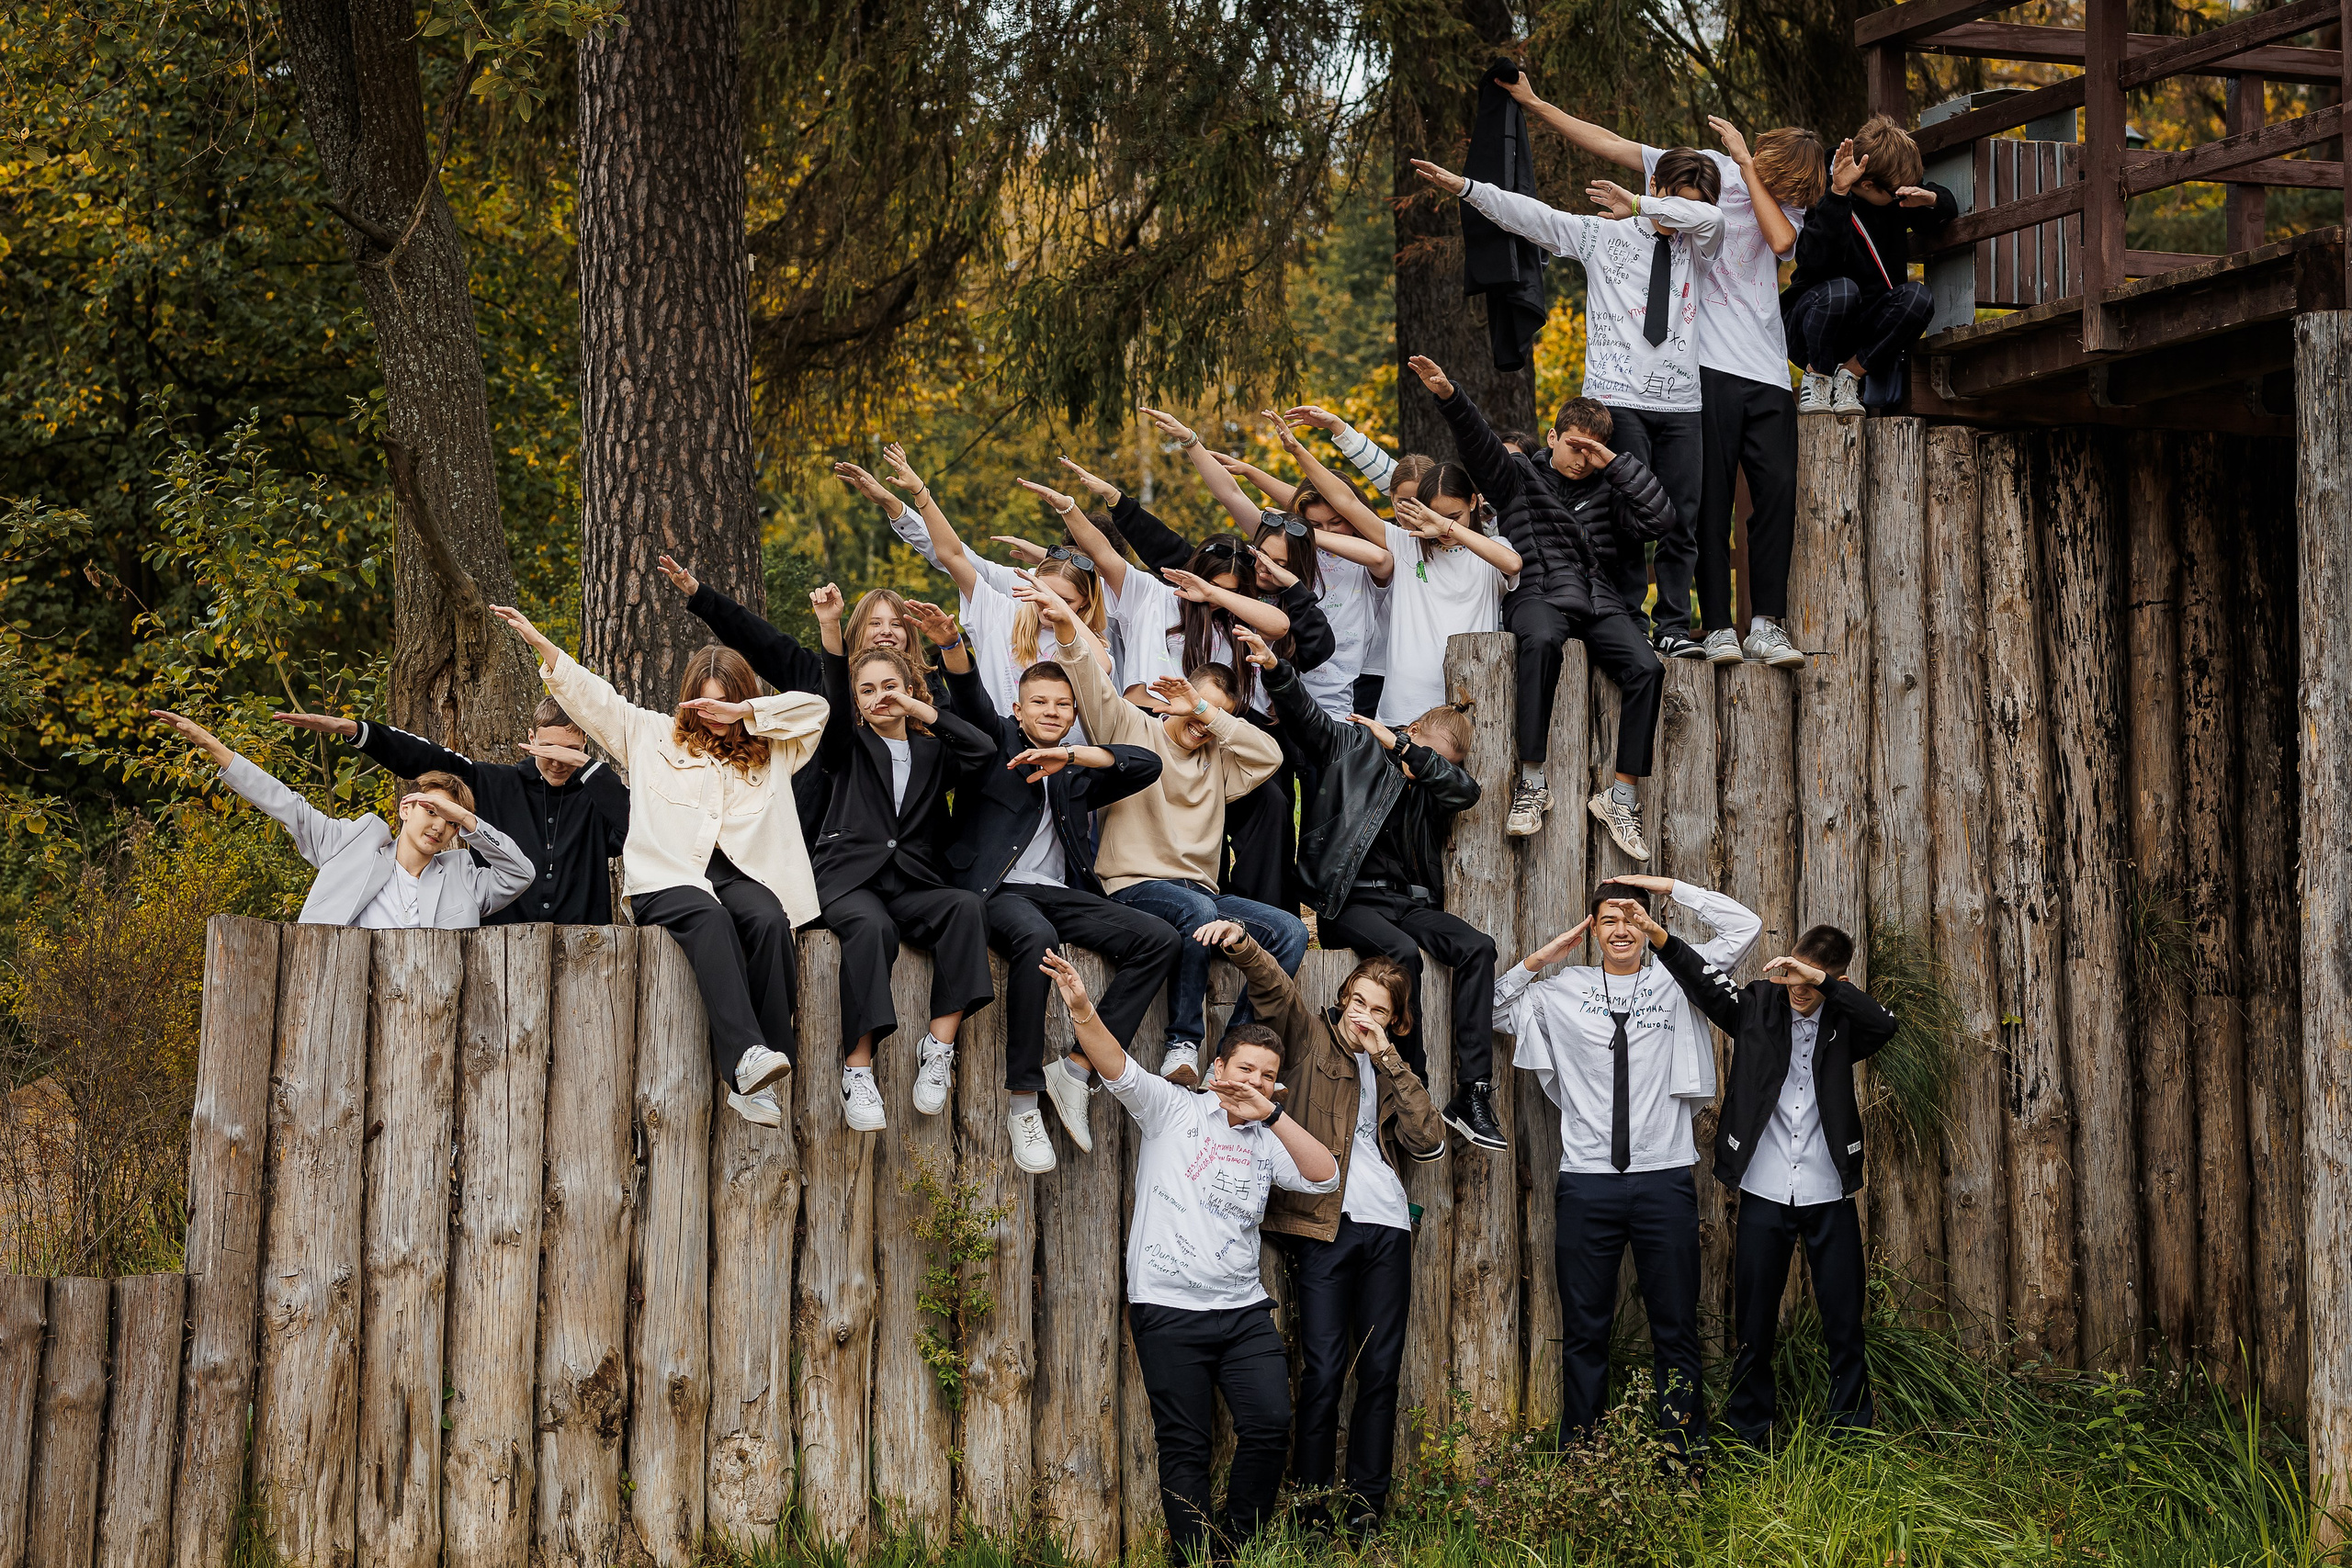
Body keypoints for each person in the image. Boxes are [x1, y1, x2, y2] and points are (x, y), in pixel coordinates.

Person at [1502, 73, 1826, 670]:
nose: (1789, 196)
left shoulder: (1778, 200)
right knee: (1707, 504)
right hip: (1707, 365)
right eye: (1782, 183)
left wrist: (1753, 171)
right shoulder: (1708, 171)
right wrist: (1535, 102)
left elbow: (1783, 243)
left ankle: (1766, 624)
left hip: (1768, 368)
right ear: (1769, 159)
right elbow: (1614, 145)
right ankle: (1717, 624)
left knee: (1777, 492)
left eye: (1795, 193)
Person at [1042, 937, 1339, 1563]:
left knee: (1268, 1424)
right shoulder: (1173, 1110)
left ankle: (1238, 1544)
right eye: (1245, 1069)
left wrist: (1273, 1115)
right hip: (1168, 1309)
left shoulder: (1269, 1137)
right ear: (1218, 1068)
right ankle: (1197, 1557)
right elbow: (1117, 1067)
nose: (1254, 1081)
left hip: (1242, 1312)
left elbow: (1324, 1176)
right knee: (1185, 1445)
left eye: (1267, 1075)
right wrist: (1083, 1009)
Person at [489, 605, 829, 1129]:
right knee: (710, 917)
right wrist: (541, 644)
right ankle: (745, 1058)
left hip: (741, 876)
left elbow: (817, 709)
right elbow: (593, 697)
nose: (713, 716)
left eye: (723, 705)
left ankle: (760, 1072)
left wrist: (746, 714)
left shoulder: (773, 751)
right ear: (687, 700)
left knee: (768, 919)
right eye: (704, 704)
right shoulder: (652, 733)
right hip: (669, 877)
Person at [1410, 149, 1724, 660]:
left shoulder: (1700, 241)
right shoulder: (1603, 235)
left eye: (1693, 205)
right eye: (1676, 201)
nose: (1681, 215)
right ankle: (1631, 619)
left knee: (1681, 517)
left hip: (1682, 403)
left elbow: (1712, 219)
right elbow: (1533, 217)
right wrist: (1467, 188)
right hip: (1618, 398)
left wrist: (1642, 205)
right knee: (1624, 517)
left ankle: (1674, 625)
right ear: (1657, 186)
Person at [1498, 874, 1760, 1453]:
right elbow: (1493, 1006)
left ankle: (1681, 1459)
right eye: (1610, 919)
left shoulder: (1677, 978)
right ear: (1593, 928)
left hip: (1664, 1180)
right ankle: (1582, 1460)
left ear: (1647, 926)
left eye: (1633, 918)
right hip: (1586, 1183)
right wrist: (1545, 956)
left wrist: (1665, 888)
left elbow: (1745, 928)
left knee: (1676, 1328)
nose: (1623, 929)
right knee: (1584, 1330)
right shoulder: (1563, 990)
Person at [1025, 576, 1300, 1088]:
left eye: (1213, 714)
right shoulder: (1135, 728)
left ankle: (1233, 1054)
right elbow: (1090, 683)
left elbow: (1271, 755)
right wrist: (1066, 626)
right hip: (1134, 887)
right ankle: (1183, 1042)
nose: (1200, 721)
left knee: (1290, 931)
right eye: (1195, 704)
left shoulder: (1221, 761)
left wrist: (1205, 711)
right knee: (1195, 910)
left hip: (1201, 896)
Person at [1241, 626, 1503, 1150]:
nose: (1429, 768)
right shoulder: (1354, 746)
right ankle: (1414, 1080)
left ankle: (1473, 1091)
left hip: (1408, 903)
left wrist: (1414, 754)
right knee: (1402, 953)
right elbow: (1307, 716)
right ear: (1410, 729)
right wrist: (1275, 668)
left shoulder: (1434, 779)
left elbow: (1466, 792)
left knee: (1479, 947)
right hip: (1348, 900)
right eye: (1427, 753)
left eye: (1440, 763)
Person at [1408, 354, 1672, 858]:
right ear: (1552, 437)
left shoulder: (1611, 487)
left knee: (1647, 668)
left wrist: (1614, 465)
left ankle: (1621, 797)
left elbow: (1660, 520)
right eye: (1573, 445)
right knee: (1543, 639)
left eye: (1592, 450)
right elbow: (1480, 444)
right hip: (1536, 592)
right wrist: (1449, 395)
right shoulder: (1518, 477)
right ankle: (1532, 782)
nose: (1581, 458)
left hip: (1598, 599)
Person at [1649, 919, 1897, 1448]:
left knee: (1844, 1322)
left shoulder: (1846, 1017)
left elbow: (1884, 1025)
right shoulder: (1758, 1004)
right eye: (1793, 978)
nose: (1797, 991)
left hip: (1829, 1192)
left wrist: (1825, 985)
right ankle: (1750, 1432)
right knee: (1755, 1322)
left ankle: (1851, 1436)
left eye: (1810, 982)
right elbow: (1700, 980)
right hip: (1764, 1189)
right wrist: (1655, 932)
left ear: (1835, 981)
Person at [1236, 928, 1444, 1531]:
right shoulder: (1309, 1038)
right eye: (1358, 1002)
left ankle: (1365, 1510)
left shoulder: (1391, 1068)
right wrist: (1244, 945)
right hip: (1324, 1225)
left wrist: (1390, 1059)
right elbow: (1275, 990)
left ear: (1395, 1020)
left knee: (1380, 1370)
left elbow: (1428, 1140)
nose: (1364, 1016)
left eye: (1379, 1010)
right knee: (1324, 1370)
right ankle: (1310, 1511)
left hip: (1388, 1228)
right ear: (1342, 998)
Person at [941, 650, 1180, 1172]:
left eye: (1062, 704)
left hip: (1058, 892)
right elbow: (967, 695)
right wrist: (950, 645)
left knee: (1160, 939)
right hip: (994, 891)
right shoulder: (995, 740)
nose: (1051, 711)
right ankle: (1023, 1099)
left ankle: (1075, 1068)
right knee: (1037, 937)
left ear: (1073, 715)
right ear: (1018, 709)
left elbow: (1148, 764)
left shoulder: (1074, 768)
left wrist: (1071, 756)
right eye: (1039, 703)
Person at [814, 625, 1001, 1134]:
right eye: (867, 690)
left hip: (913, 882)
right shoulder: (847, 745)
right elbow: (835, 699)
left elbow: (983, 750)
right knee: (871, 928)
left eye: (890, 687)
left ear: (910, 690)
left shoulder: (931, 752)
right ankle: (857, 1069)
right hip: (851, 882)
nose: (879, 697)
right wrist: (831, 629)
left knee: (965, 907)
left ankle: (938, 1047)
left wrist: (921, 711)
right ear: (856, 701)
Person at [149, 710, 534, 929]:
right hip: (340, 1007)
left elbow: (519, 874)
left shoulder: (463, 876)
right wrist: (214, 747)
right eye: (431, 810)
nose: (438, 826)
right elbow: (286, 804)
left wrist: (468, 820)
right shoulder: (354, 845)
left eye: (448, 822)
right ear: (406, 808)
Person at [271, 697, 629, 925]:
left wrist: (592, 771)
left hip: (585, 955)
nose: (558, 762)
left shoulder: (600, 797)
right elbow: (426, 756)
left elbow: (638, 833)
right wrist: (355, 730)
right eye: (548, 748)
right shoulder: (492, 782)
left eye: (570, 751)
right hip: (503, 958)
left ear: (585, 744)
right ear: (531, 739)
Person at [838, 445, 1115, 716]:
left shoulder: (1092, 645)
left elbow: (1102, 668)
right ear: (1033, 583)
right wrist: (920, 494)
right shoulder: (1000, 615)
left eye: (1065, 600)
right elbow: (953, 555)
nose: (1048, 605)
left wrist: (1064, 614)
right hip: (1000, 742)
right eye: (1044, 592)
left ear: (1084, 603)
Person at [1782, 119, 1955, 416]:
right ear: (1868, 185)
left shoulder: (1891, 194)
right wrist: (1837, 196)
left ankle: (1849, 375)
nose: (1900, 197)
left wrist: (1931, 199)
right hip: (1813, 322)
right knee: (1844, 291)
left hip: (1863, 332)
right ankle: (1817, 376)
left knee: (1919, 298)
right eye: (1896, 193)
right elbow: (1815, 262)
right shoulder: (1818, 183)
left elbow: (1945, 210)